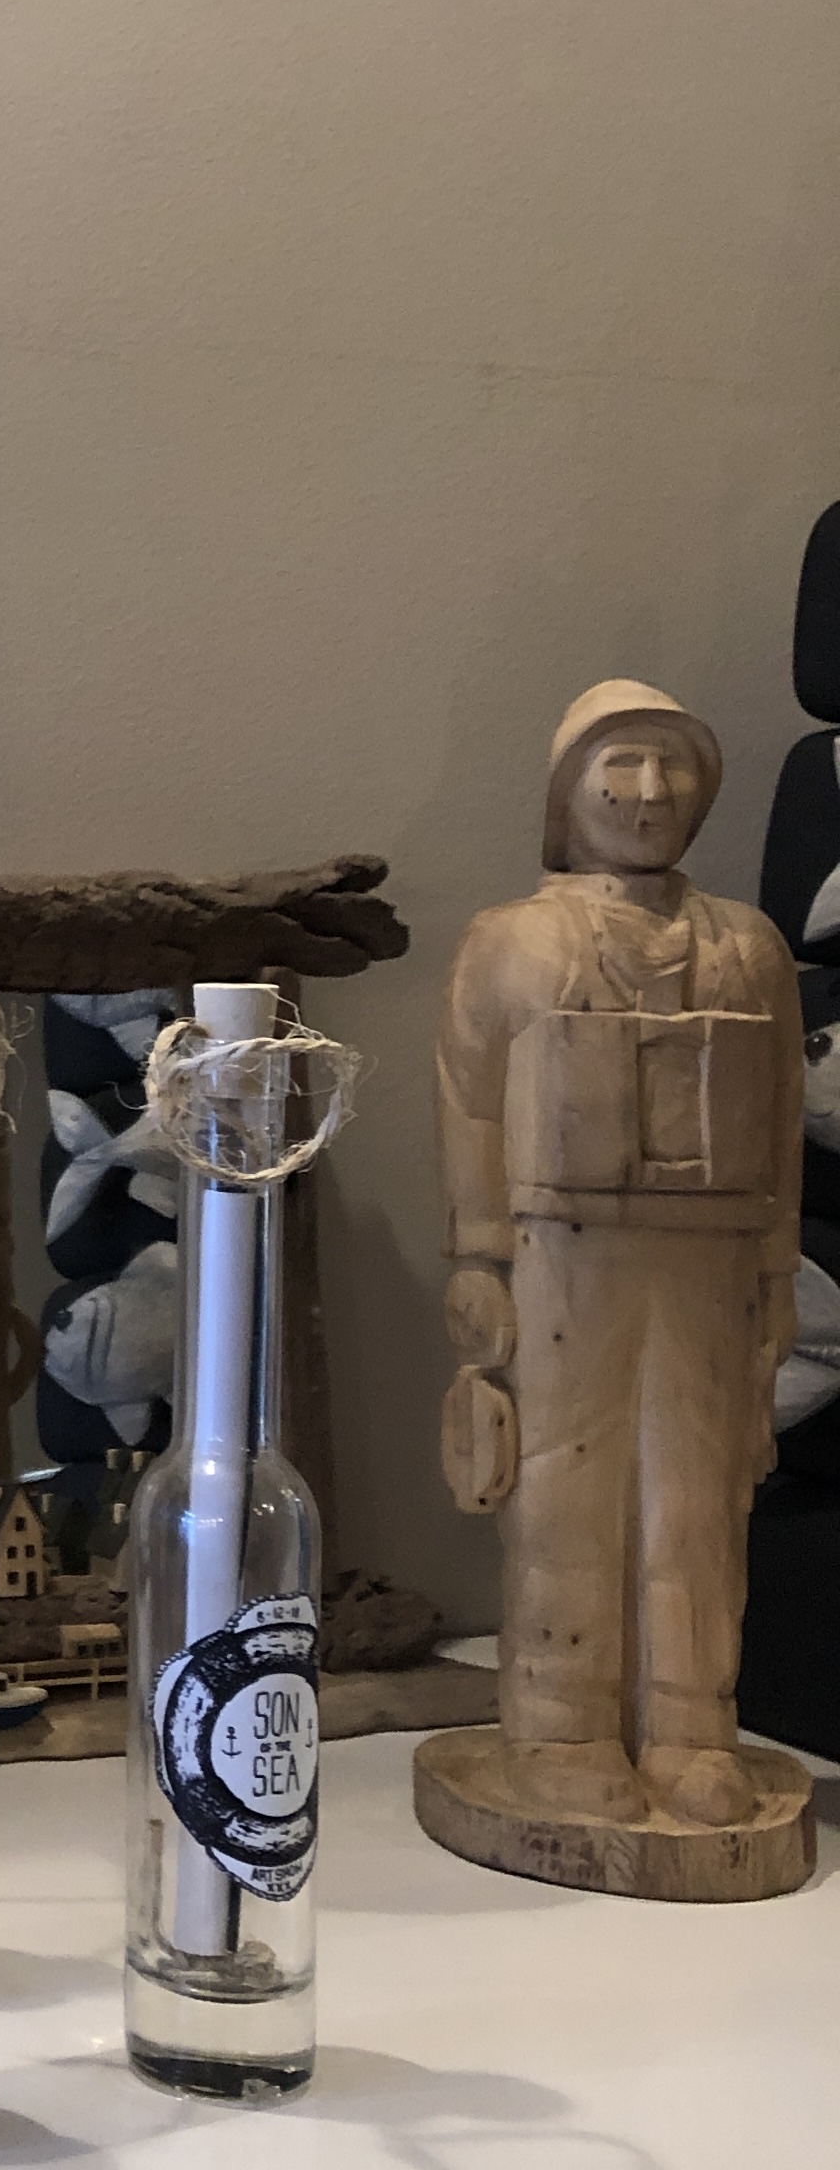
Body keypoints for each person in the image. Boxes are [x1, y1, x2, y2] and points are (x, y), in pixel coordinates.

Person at [436, 680, 803, 1827]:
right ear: (568, 790)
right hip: (558, 1264)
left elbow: (781, 1122)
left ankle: (692, 1727)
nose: (649, 792)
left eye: (673, 765)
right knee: (563, 1485)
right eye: (620, 764)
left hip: (710, 1265)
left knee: (699, 1494)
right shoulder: (512, 941)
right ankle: (562, 1724)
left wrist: (777, 1276)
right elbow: (471, 1106)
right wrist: (478, 1258)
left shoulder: (748, 947)